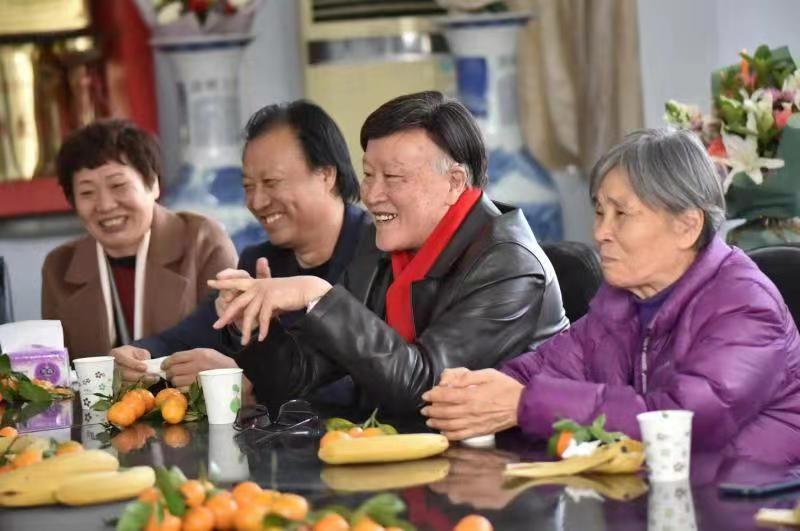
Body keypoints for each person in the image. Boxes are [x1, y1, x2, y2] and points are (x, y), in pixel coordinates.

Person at [422, 129, 800, 464]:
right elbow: (540, 372)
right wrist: (477, 392)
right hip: (653, 498)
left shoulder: (746, 306)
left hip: (751, 503)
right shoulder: (622, 301)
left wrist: (523, 404)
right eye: (600, 212)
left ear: (687, 225)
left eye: (622, 214)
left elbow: (680, 421)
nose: (600, 232)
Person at [210, 91, 567, 414]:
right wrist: (253, 324)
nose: (371, 195)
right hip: (401, 451)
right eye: (368, 174)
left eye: (393, 177)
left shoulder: (508, 263)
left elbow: (427, 389)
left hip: (508, 459)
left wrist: (320, 296)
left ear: (454, 183)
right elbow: (296, 377)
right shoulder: (382, 246)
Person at [109, 101, 370, 399]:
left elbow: (370, 382)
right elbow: (187, 337)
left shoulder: (378, 255)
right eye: (248, 186)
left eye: (271, 182)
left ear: (326, 175)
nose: (257, 202)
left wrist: (248, 381)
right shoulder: (258, 261)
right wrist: (139, 355)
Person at [42, 120, 237, 359]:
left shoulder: (203, 241)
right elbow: (56, 369)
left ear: (153, 184)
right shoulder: (59, 267)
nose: (105, 205)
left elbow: (230, 342)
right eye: (87, 193)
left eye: (118, 185)